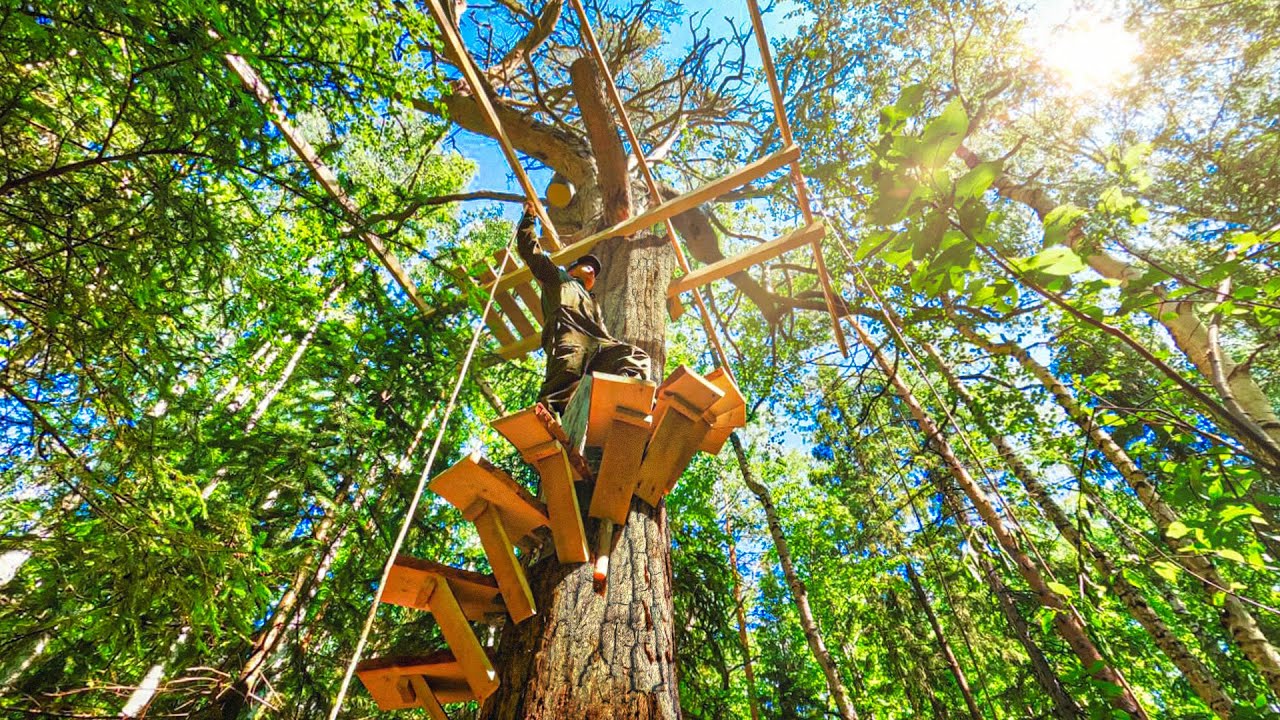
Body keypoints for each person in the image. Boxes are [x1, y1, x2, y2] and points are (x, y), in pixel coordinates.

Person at [515, 204, 650, 413]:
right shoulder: (558, 278)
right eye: (587, 265)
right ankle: (549, 418)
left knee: (633, 355)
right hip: (569, 333)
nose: (592, 270)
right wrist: (528, 220)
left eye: (595, 271)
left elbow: (603, 332)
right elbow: (530, 251)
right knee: (567, 375)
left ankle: (625, 402)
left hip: (598, 343)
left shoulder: (593, 303)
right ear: (571, 269)